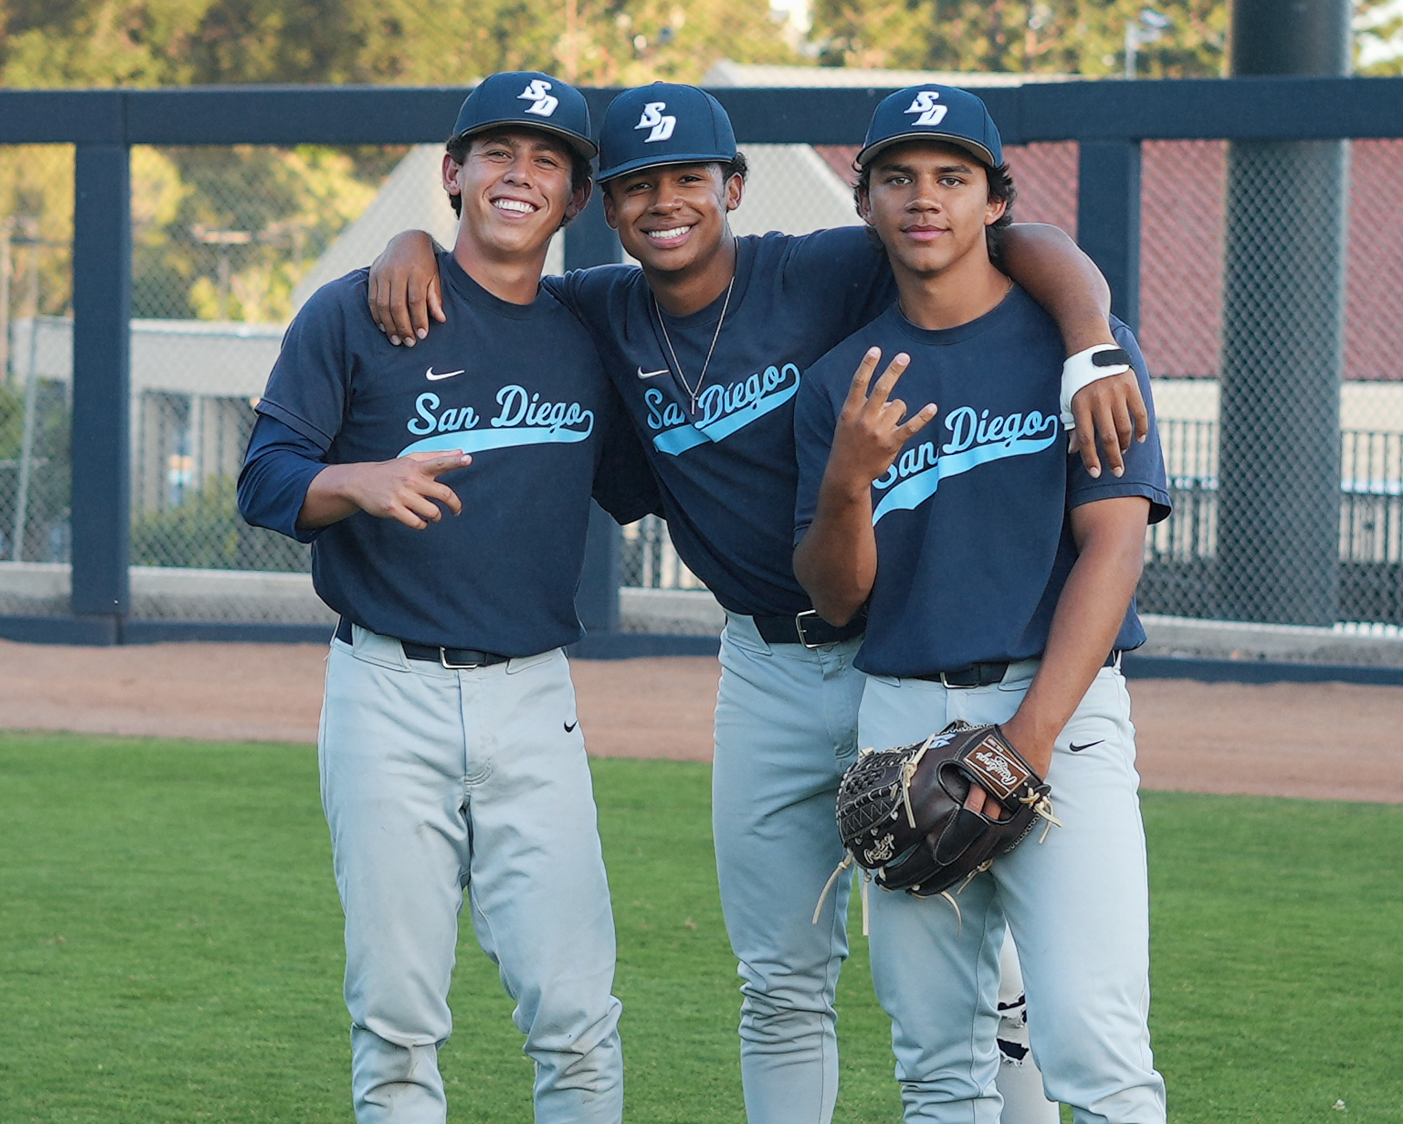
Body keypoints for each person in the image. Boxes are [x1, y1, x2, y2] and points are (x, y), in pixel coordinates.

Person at [364, 81, 1143, 1124]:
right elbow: (491, 287)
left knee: (1005, 981)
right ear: (607, 204)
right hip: (770, 667)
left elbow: (1016, 238)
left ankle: (1011, 1015)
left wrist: (1091, 335)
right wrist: (409, 241)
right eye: (638, 184)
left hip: (892, 653)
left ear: (732, 185)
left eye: (689, 177)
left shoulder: (823, 266)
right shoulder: (597, 309)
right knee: (781, 976)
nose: (664, 202)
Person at [235, 71, 658, 1124]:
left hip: (531, 699)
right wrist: (354, 481)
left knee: (576, 1018)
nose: (519, 173)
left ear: (573, 199)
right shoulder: (360, 310)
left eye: (547, 159)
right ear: (452, 174)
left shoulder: (591, 335)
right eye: (497, 153)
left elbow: (658, 476)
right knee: (394, 1020)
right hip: (386, 691)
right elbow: (263, 477)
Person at [792, 85, 1172, 1123]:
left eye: (952, 178)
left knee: (1095, 1049)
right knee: (935, 1067)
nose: (926, 200)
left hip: (1060, 716)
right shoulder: (837, 381)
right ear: (864, 200)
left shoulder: (1084, 350)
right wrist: (845, 480)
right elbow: (835, 597)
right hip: (903, 724)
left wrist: (1027, 740)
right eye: (900, 178)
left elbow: (1114, 543)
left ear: (993, 200)